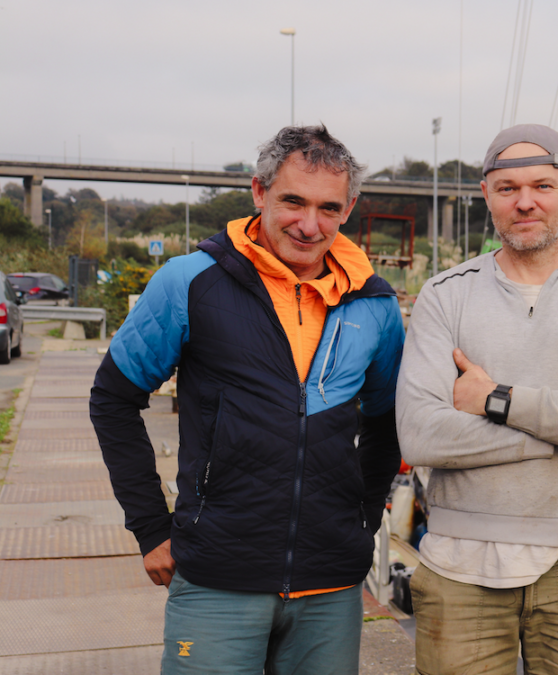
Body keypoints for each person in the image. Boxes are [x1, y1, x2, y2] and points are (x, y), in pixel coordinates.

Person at [90, 125, 405, 675]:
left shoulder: (375, 304)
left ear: (349, 207)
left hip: (330, 587)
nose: (309, 225)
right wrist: (150, 527)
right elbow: (113, 399)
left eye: (328, 208)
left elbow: (386, 424)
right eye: (292, 201)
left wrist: (361, 527)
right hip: (217, 578)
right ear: (259, 193)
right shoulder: (190, 281)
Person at [396, 124, 558, 674]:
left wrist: (496, 398)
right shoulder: (446, 297)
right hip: (458, 561)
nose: (525, 202)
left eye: (542, 185)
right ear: (487, 194)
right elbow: (420, 434)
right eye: (507, 187)